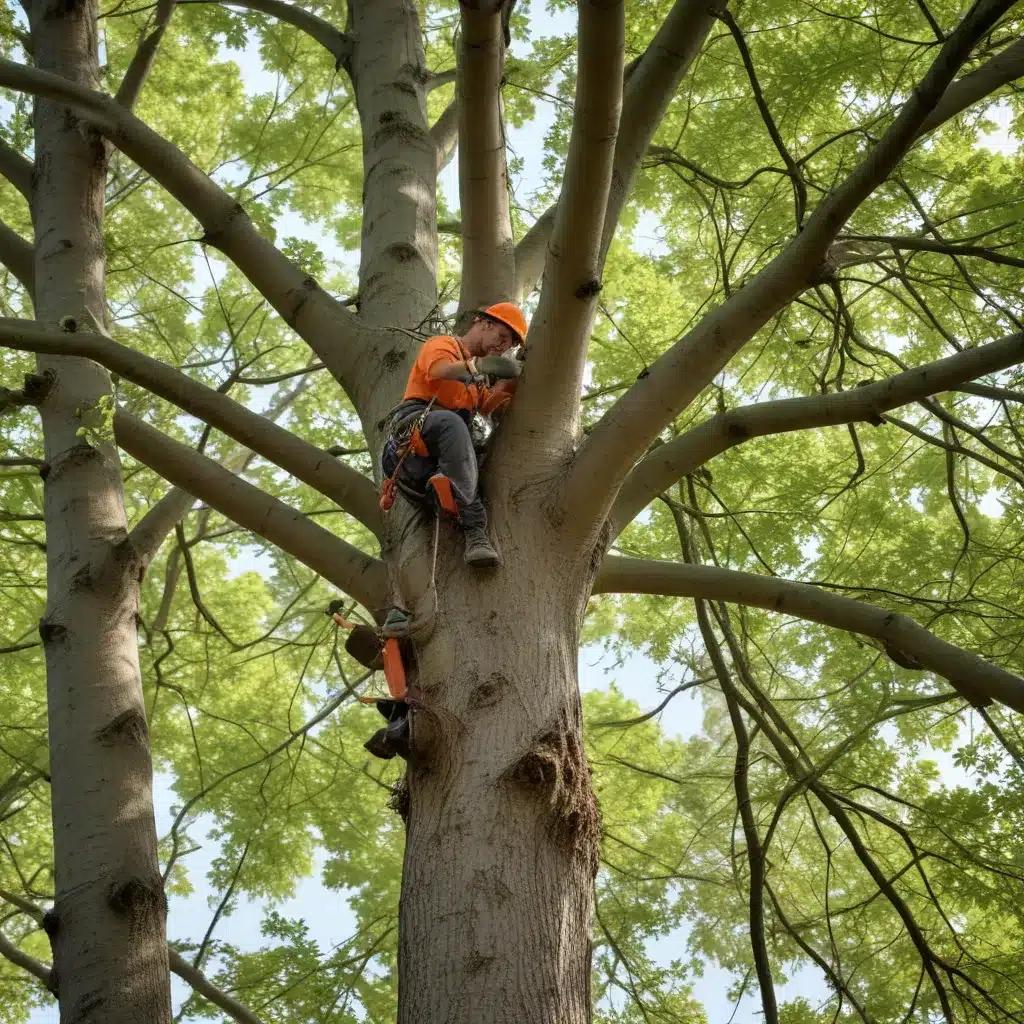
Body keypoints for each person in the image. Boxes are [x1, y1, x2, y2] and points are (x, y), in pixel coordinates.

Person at [381, 302, 528, 567]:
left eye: (509, 345)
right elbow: (440, 370)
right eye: (502, 337)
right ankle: (475, 530)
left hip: (440, 458)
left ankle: (446, 491)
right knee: (452, 423)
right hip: (415, 429)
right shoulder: (443, 344)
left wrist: (512, 380)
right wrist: (478, 366)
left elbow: (486, 407)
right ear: (484, 323)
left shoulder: (476, 383)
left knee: (473, 444)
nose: (503, 347)